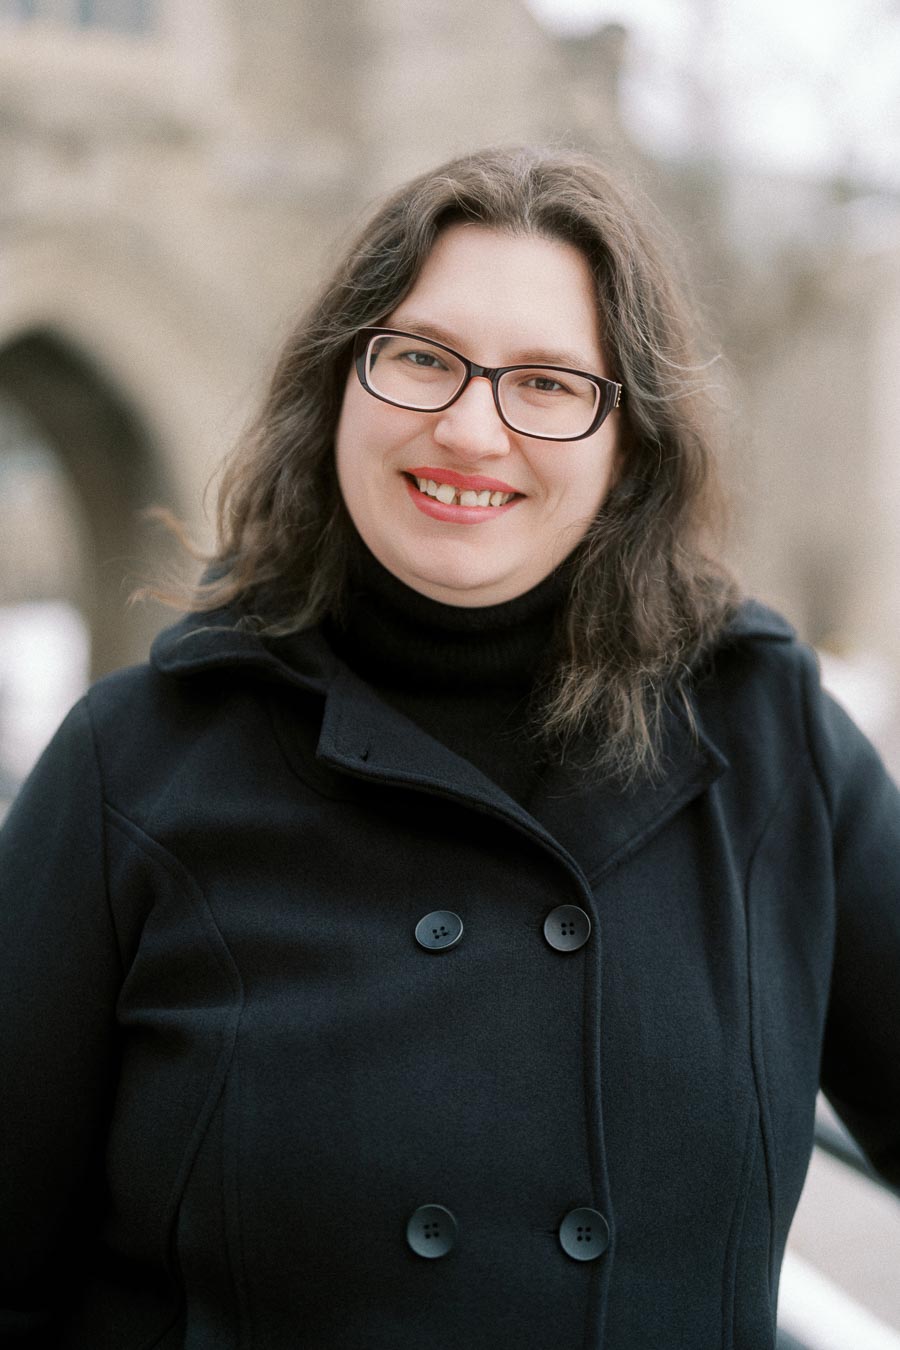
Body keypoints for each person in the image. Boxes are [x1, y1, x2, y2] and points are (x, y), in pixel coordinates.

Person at [1, 144, 898, 1350]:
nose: (471, 427)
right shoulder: (139, 761)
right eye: (421, 358)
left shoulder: (765, 733)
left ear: (628, 441)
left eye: (547, 382)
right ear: (339, 388)